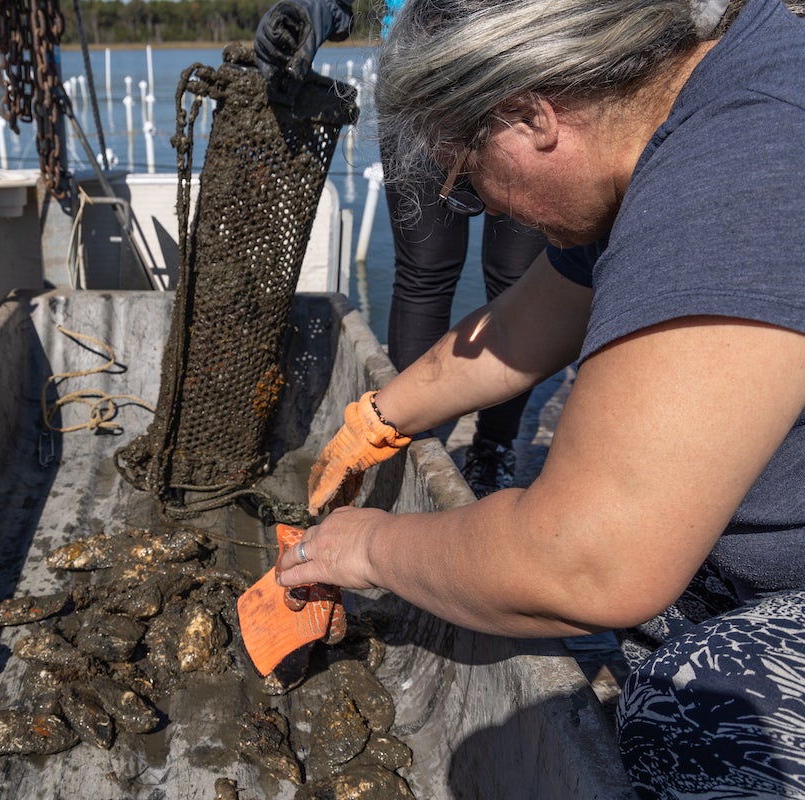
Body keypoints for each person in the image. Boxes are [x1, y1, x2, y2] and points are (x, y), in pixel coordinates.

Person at [272, 0, 805, 797]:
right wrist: (375, 420)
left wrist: (370, 548)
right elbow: (534, 316)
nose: (478, 206)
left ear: (529, 116)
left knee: (693, 714)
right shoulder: (667, 109)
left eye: (466, 184)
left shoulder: (745, 161)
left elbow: (588, 562)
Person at [257, 0, 548, 499]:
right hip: (420, 66)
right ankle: (415, 445)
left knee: (522, 280)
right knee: (424, 273)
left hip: (530, 59)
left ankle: (494, 447)